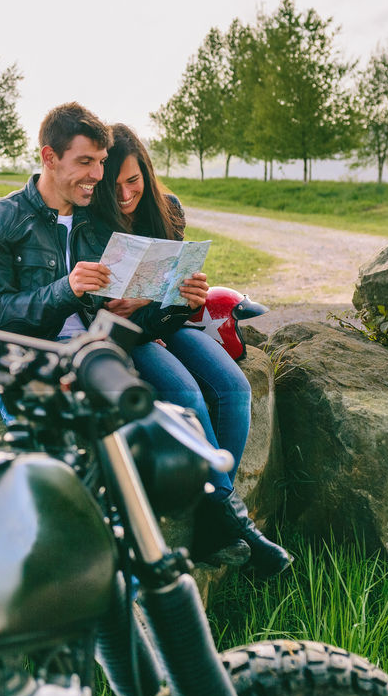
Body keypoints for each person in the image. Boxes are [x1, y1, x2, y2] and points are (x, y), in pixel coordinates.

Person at [91, 123, 291, 578]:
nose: (124, 194)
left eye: (133, 181)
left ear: (145, 171)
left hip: (163, 323)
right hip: (122, 334)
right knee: (187, 395)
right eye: (114, 184)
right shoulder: (93, 221)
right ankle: (232, 519)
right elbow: (101, 314)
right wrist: (143, 309)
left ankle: (209, 518)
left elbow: (174, 308)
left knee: (233, 388)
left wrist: (189, 298)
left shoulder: (168, 209)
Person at [0, 102, 202, 424]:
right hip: (25, 361)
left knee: (165, 418)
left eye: (101, 161)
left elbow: (127, 317)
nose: (98, 175)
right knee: (68, 431)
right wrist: (65, 289)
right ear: (49, 157)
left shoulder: (99, 219)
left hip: (97, 351)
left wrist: (179, 300)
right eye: (85, 161)